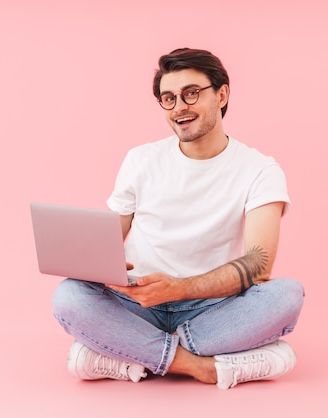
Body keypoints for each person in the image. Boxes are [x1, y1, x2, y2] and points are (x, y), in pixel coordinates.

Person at [52, 48, 304, 389]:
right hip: (137, 302)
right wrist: (87, 260)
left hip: (212, 308)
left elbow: (259, 266)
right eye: (168, 99)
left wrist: (180, 288)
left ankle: (125, 354)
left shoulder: (260, 170)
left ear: (222, 94)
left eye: (191, 93)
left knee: (287, 296)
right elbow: (108, 240)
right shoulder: (141, 159)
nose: (179, 108)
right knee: (69, 296)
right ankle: (199, 365)